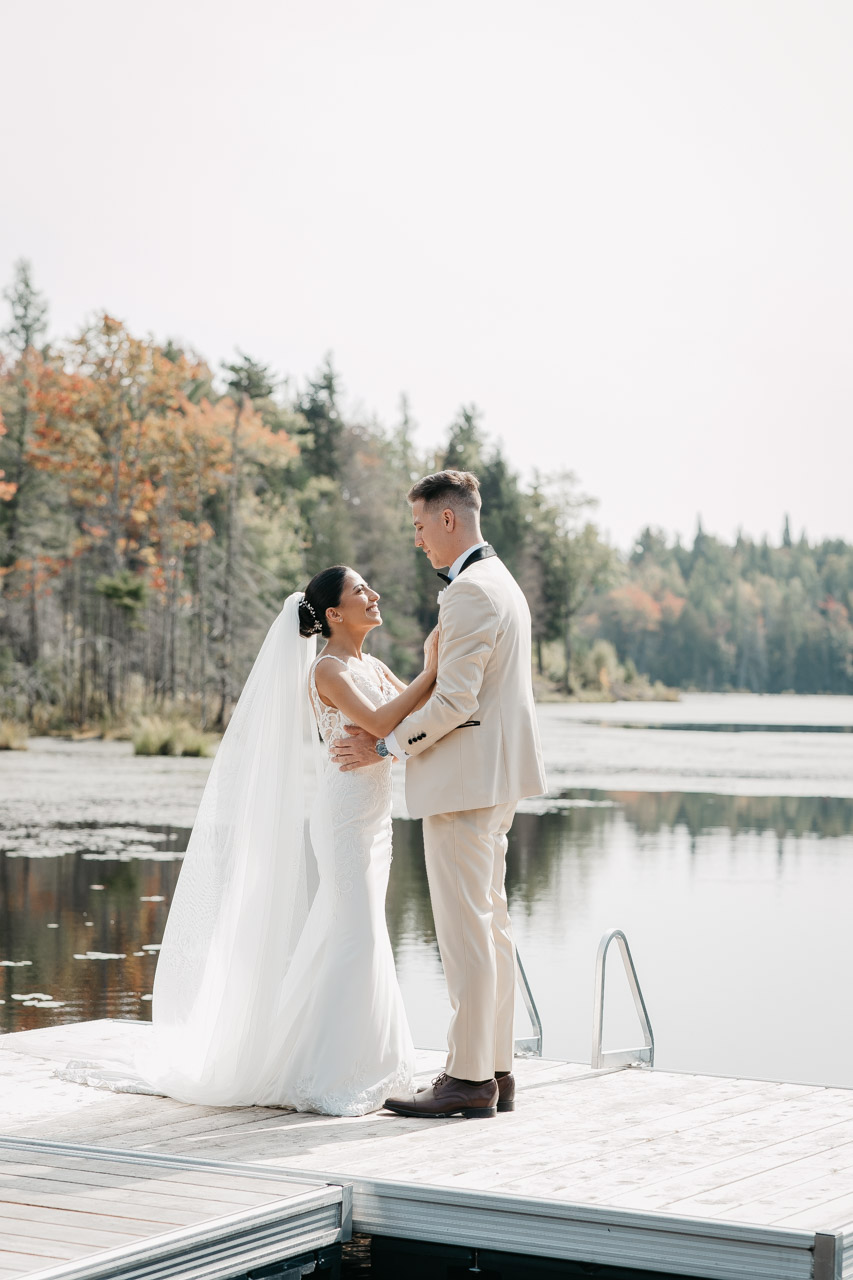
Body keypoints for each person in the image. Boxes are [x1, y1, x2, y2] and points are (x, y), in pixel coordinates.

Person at [64, 568, 436, 1117]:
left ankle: (363, 1060)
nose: (374, 595)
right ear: (334, 614)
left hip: (375, 818)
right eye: (361, 590)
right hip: (343, 816)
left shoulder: (373, 665)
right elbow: (383, 721)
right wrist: (432, 668)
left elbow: (409, 720)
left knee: (356, 932)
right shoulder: (327, 670)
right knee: (357, 934)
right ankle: (334, 1071)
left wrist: (419, 698)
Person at [331, 470, 547, 1120]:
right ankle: (496, 1069)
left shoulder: (469, 593)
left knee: (465, 934)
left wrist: (385, 748)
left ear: (448, 519)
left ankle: (468, 1078)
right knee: (491, 925)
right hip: (492, 780)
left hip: (462, 783)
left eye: (421, 525)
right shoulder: (500, 582)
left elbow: (454, 701)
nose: (418, 539)